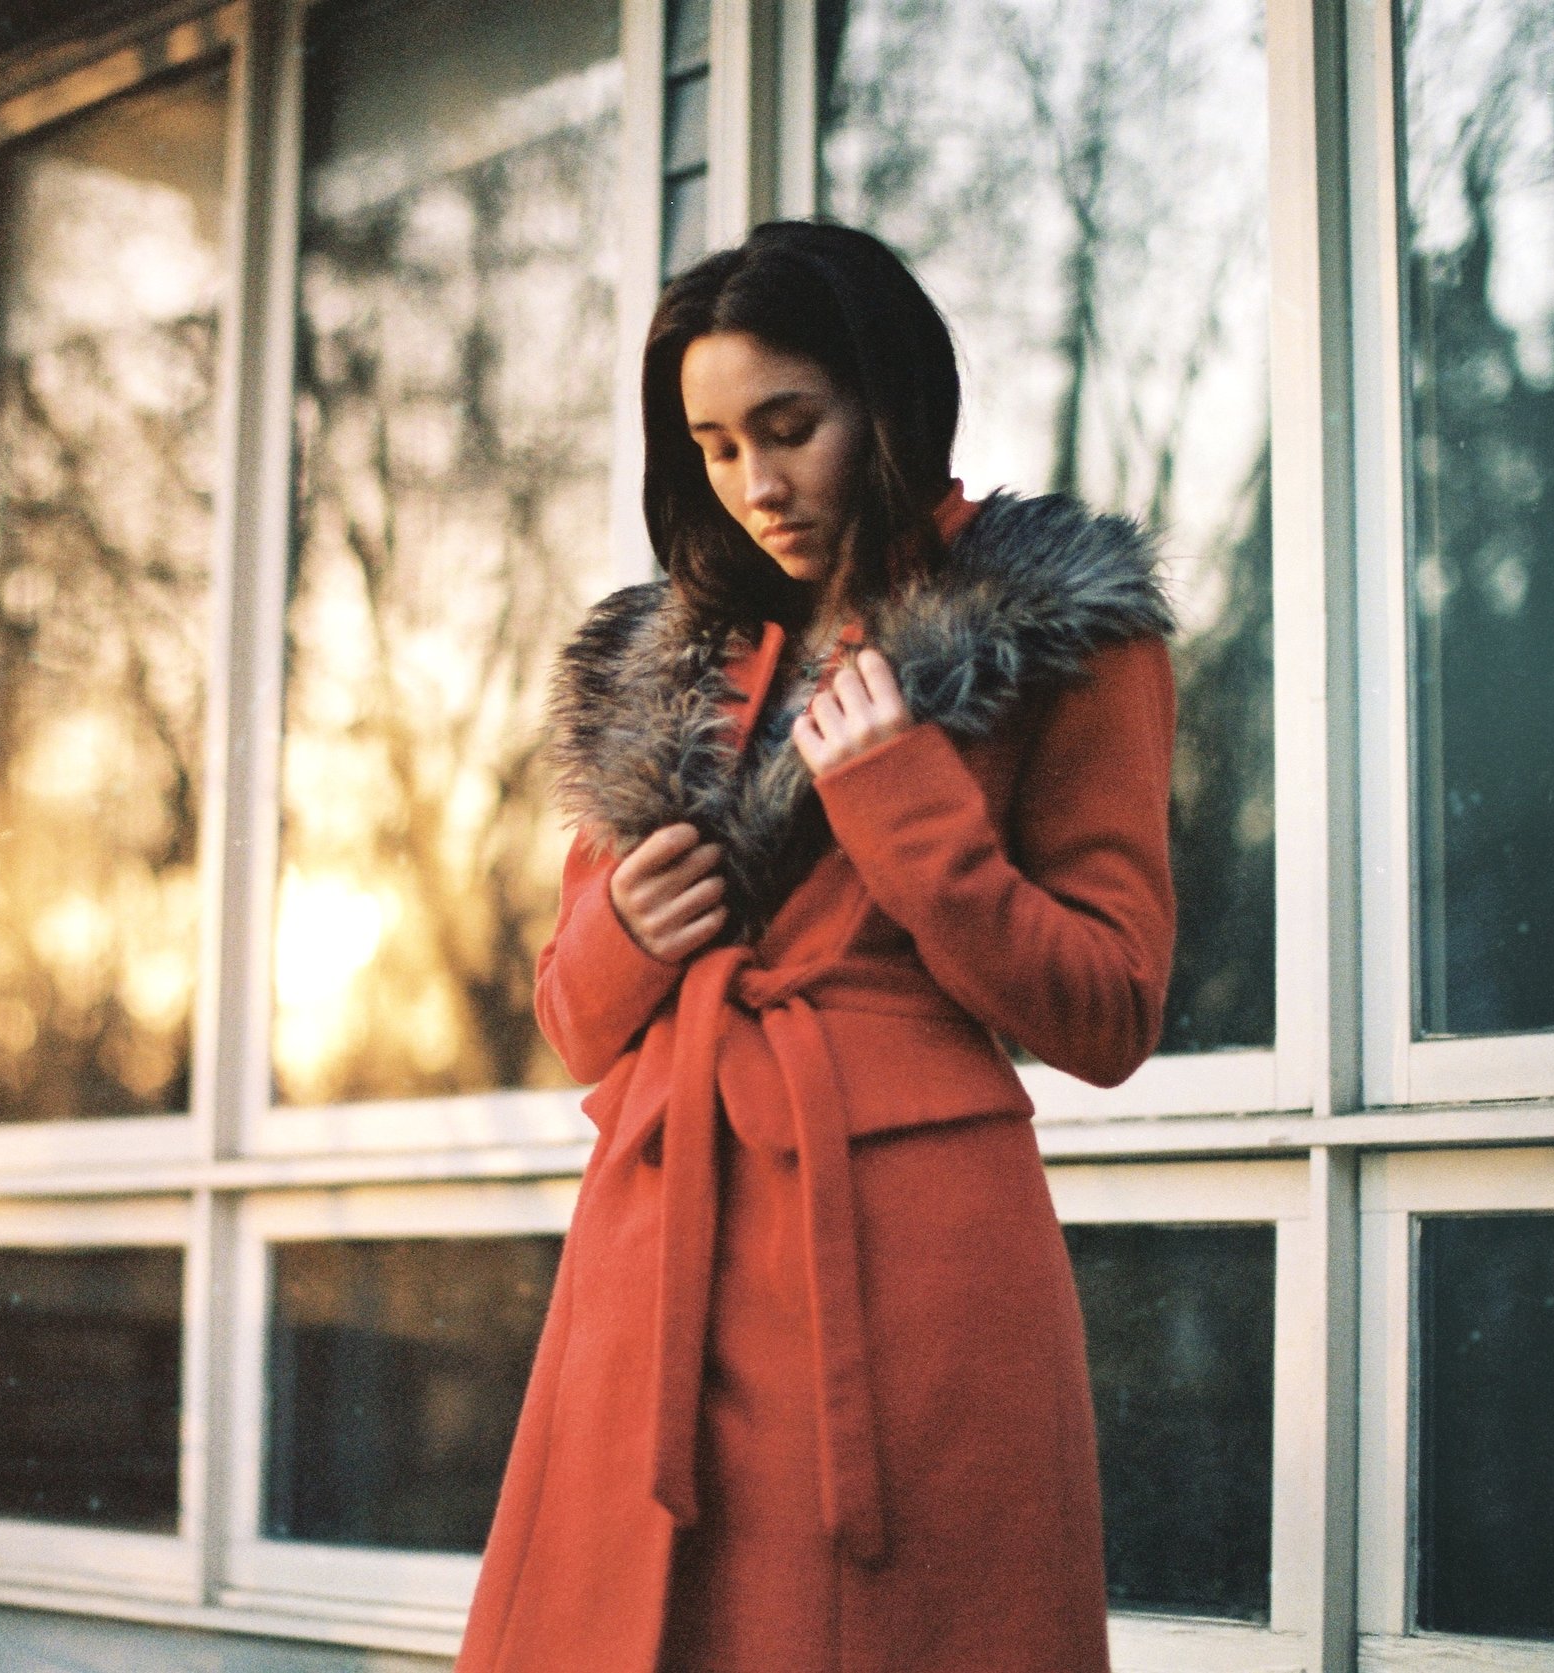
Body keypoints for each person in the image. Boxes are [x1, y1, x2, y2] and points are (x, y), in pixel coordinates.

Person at [454, 220, 1179, 1673]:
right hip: (651, 1261)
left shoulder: (1062, 629)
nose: (757, 484)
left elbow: (1111, 1009)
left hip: (903, 1278)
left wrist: (913, 818)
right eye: (716, 446)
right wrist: (620, 936)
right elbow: (576, 1021)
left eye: (790, 428)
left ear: (890, 400)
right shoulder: (666, 661)